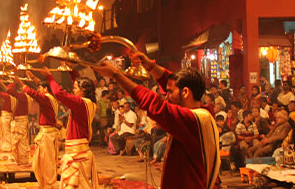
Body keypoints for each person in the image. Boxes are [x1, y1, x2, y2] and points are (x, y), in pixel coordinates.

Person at [92, 53, 220, 189]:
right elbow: (174, 84)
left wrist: (116, 75)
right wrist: (150, 65)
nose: (166, 97)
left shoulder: (191, 119)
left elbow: (155, 104)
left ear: (186, 92)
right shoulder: (204, 111)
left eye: (169, 93)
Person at [37, 67, 99, 189]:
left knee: (76, 185)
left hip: (77, 153)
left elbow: (59, 94)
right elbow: (76, 81)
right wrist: (70, 69)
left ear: (83, 90)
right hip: (79, 149)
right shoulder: (88, 103)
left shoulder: (81, 103)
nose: (73, 90)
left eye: (75, 88)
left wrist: (49, 76)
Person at [14, 73, 60, 189]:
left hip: (47, 135)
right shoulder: (51, 97)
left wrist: (19, 81)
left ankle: (48, 184)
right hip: (47, 133)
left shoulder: (46, 99)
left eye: (40, 88)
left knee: (47, 162)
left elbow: (34, 94)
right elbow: (40, 88)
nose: (38, 90)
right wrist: (33, 77)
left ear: (45, 89)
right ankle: (46, 183)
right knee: (42, 161)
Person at [5, 83, 31, 165]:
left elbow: (14, 93)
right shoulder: (23, 97)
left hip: (21, 122)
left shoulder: (24, 96)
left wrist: (2, 84)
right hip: (19, 121)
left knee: (21, 142)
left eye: (22, 87)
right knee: (19, 142)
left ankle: (23, 160)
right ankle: (20, 160)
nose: (20, 88)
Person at [0, 83, 15, 152]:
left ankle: (8, 147)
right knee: (8, 132)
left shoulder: (8, 96)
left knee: (6, 133)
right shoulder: (15, 97)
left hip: (6, 117)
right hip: (10, 116)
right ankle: (9, 146)